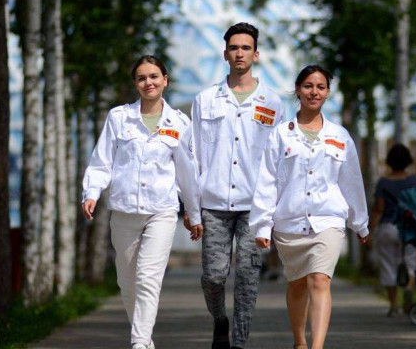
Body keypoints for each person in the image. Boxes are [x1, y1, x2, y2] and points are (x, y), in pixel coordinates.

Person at [82, 55, 202, 349]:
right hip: (124, 211)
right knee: (127, 282)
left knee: (148, 278)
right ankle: (145, 340)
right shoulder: (119, 117)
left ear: (165, 80)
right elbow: (102, 160)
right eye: (142, 78)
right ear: (135, 83)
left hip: (161, 210)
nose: (148, 82)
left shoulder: (180, 123)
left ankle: (138, 343)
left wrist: (193, 212)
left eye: (154, 76)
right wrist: (92, 192)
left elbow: (188, 173)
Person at [250, 65, 369, 349]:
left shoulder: (340, 136)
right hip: (289, 223)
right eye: (308, 86)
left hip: (328, 220)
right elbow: (267, 181)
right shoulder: (280, 134)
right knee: (298, 284)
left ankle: (316, 346)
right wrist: (262, 225)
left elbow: (351, 182)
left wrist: (360, 223)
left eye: (320, 87)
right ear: (298, 90)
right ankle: (299, 341)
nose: (314, 92)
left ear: (327, 93)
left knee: (319, 280)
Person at [184, 22, 285, 349]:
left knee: (247, 275)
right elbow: (193, 155)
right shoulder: (205, 100)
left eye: (246, 48)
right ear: (225, 53)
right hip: (213, 203)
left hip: (255, 206)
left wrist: (275, 210)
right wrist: (190, 207)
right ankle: (219, 320)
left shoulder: (272, 103)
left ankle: (239, 342)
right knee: (213, 276)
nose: (239, 53)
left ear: (256, 54)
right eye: (234, 48)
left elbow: (279, 160)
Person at [371, 143, 416, 316]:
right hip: (408, 228)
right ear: (408, 160)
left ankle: (393, 305)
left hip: (387, 227)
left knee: (388, 266)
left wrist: (369, 232)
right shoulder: (415, 181)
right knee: (410, 263)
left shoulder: (383, 183)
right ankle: (408, 290)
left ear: (389, 161)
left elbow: (379, 209)